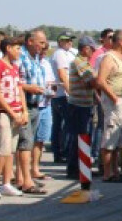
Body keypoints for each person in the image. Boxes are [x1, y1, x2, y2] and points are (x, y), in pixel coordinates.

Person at [0, 36, 28, 199]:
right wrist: (11, 112)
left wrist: (23, 111)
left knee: (10, 151)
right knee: (2, 150)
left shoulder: (15, 67)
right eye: (17, 48)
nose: (19, 52)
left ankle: (6, 183)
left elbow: (20, 90)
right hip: (3, 113)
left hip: (17, 113)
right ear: (8, 48)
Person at [15, 30, 48, 195]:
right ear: (30, 41)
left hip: (36, 104)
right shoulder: (20, 57)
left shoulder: (35, 58)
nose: (43, 46)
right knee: (26, 143)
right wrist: (31, 88)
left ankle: (22, 178)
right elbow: (17, 83)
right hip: (25, 104)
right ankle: (26, 182)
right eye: (41, 43)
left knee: (28, 143)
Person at [97, 29, 122, 182]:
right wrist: (113, 97)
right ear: (119, 41)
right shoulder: (108, 57)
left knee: (119, 139)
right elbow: (100, 80)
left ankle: (116, 171)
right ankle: (107, 173)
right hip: (113, 100)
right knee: (110, 136)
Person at [66, 36, 99, 180]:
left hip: (84, 105)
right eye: (92, 49)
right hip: (79, 106)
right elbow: (92, 81)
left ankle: (82, 168)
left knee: (84, 138)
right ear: (85, 49)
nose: (93, 52)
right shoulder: (80, 63)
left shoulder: (84, 63)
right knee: (79, 138)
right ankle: (75, 169)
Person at [31, 42, 55, 183]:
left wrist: (51, 90)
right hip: (34, 104)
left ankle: (35, 168)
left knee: (40, 140)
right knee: (28, 141)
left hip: (46, 104)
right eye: (42, 49)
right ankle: (21, 171)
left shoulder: (46, 63)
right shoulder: (30, 62)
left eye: (46, 50)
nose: (44, 52)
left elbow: (51, 82)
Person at [50, 32, 76, 163]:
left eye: (70, 40)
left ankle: (59, 152)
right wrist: (70, 92)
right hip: (62, 94)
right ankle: (63, 151)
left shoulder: (67, 53)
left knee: (59, 125)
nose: (69, 42)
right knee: (66, 125)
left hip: (59, 94)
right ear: (60, 41)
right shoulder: (60, 54)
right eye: (66, 40)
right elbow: (62, 74)